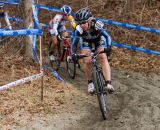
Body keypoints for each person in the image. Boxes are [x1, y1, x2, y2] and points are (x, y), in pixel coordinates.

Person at [71, 7, 114, 94]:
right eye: (79, 23)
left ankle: (108, 83)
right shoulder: (78, 29)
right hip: (86, 41)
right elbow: (74, 44)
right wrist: (73, 54)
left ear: (89, 20)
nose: (82, 25)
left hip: (98, 39)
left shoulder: (97, 24)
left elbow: (107, 37)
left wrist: (108, 47)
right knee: (87, 60)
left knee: (102, 56)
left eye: (83, 22)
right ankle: (90, 83)